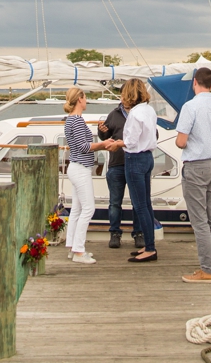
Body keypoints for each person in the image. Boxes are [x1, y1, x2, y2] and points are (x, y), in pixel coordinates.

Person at [175, 66, 211, 283]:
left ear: (194, 82)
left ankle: (208, 270)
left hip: (196, 166)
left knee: (199, 221)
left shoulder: (190, 107)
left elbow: (181, 141)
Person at [62, 86, 117, 264]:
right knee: (88, 209)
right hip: (80, 168)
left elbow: (80, 144)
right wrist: (103, 144)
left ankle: (72, 246)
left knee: (77, 209)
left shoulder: (71, 120)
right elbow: (84, 147)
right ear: (80, 99)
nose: (87, 100)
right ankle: (78, 250)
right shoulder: (76, 121)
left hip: (76, 167)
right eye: (85, 97)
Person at [117, 78, 160, 263]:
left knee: (139, 205)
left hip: (134, 158)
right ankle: (149, 243)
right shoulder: (149, 110)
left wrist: (117, 143)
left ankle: (150, 248)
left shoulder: (134, 114)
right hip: (148, 157)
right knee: (146, 204)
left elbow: (131, 141)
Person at [97, 80, 143, 250]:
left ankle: (138, 233)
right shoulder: (114, 114)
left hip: (136, 162)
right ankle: (115, 233)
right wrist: (102, 131)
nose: (123, 98)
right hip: (116, 163)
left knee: (137, 202)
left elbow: (152, 134)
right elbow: (106, 137)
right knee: (115, 202)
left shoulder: (141, 113)